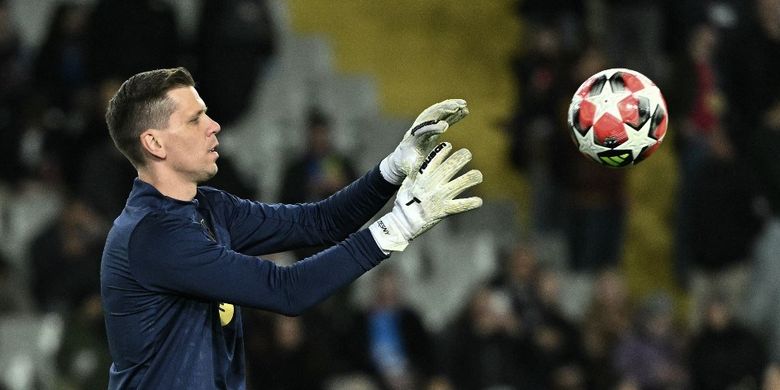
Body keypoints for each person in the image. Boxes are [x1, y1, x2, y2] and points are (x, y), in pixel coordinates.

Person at [99, 67, 482, 389]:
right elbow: (287, 291)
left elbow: (320, 222)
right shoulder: (154, 235)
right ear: (154, 143)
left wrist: (394, 168)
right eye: (195, 119)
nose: (214, 126)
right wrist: (401, 224)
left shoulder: (208, 207)